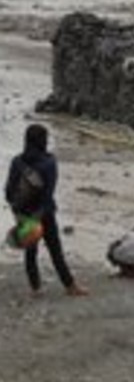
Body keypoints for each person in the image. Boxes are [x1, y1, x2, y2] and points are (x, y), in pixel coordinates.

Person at [4, 124, 87, 297]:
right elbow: (48, 193)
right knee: (55, 250)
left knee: (30, 252)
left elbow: (8, 191)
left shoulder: (17, 162)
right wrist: (41, 213)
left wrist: (18, 212)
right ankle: (70, 286)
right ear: (43, 141)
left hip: (24, 214)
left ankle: (35, 289)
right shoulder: (49, 162)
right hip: (45, 213)